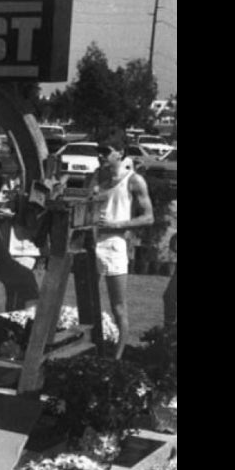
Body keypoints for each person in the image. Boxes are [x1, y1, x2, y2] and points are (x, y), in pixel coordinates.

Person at [88, 146, 154, 358]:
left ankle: (117, 357)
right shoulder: (96, 178)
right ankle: (92, 349)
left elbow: (148, 217)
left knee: (118, 306)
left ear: (120, 154)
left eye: (106, 152)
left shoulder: (133, 180)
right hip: (90, 244)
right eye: (99, 151)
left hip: (114, 246)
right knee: (88, 301)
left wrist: (117, 225)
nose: (101, 156)